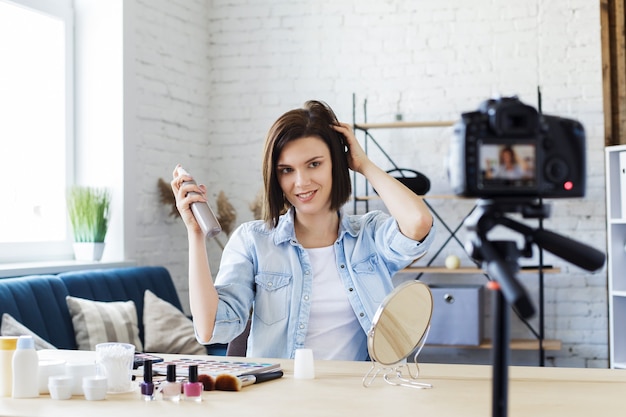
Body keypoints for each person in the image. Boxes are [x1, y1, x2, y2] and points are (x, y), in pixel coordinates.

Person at [171, 100, 435, 361]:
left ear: (337, 163)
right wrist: (195, 234)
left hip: (361, 394)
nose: (301, 182)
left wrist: (363, 164)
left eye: (314, 164)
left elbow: (418, 222)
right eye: (287, 170)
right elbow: (209, 329)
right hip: (283, 396)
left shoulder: (370, 235)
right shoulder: (253, 241)